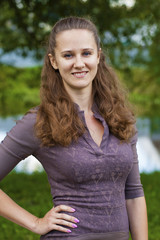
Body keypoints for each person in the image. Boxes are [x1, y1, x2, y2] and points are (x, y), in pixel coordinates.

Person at [0, 16, 148, 240]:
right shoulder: (39, 121)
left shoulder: (121, 119)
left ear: (98, 56)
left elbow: (134, 194)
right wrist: (36, 223)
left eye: (86, 53)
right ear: (54, 61)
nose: (79, 63)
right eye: (68, 55)